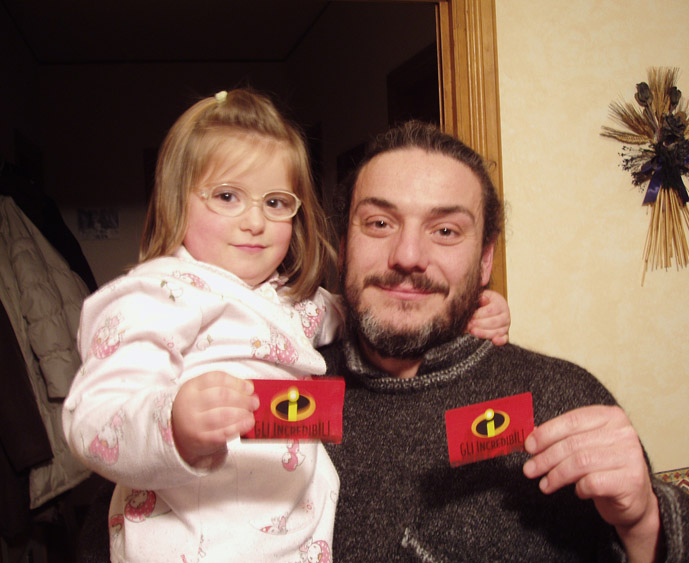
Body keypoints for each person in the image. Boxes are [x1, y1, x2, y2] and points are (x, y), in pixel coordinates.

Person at [63, 90, 510, 562]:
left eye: (276, 202)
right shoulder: (154, 297)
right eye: (227, 196)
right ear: (177, 200)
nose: (255, 221)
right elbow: (95, 420)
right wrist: (172, 423)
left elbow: (366, 312)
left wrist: (466, 308)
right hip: (190, 542)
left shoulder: (292, 302)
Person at [322, 120, 689, 562]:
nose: (407, 256)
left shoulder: (562, 398)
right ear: (344, 244)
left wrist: (644, 524)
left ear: (485, 260)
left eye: (446, 231)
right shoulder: (282, 385)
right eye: (379, 223)